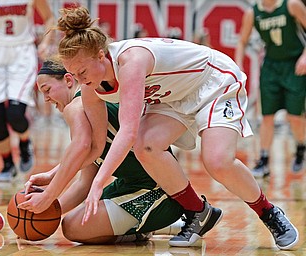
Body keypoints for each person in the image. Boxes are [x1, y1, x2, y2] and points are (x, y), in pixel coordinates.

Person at [55, 6, 299, 250]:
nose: (79, 79)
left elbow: (126, 131)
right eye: (74, 74)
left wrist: (99, 183)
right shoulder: (91, 84)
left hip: (212, 81)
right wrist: (51, 180)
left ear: (100, 55)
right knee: (147, 145)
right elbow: (97, 145)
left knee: (218, 162)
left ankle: (269, 213)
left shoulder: (131, 61)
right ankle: (198, 212)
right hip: (172, 97)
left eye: (82, 71)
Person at [18, 59, 188, 244]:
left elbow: (82, 146)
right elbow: (84, 183)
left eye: (47, 90)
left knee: (72, 227)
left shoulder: (76, 107)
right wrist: (43, 213)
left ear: (68, 80)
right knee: (82, 216)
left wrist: (48, 194)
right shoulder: (87, 107)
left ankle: (153, 224)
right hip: (134, 185)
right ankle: (155, 227)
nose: (46, 99)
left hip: (159, 190)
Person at [235, 0, 306, 177]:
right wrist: (237, 67)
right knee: (266, 115)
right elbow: (242, 41)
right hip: (270, 67)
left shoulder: (292, 5)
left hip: (294, 65)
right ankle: (264, 160)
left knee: (294, 116)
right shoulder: (253, 13)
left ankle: (300, 147)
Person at [0, 0, 54, 182]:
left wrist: (45, 43)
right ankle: (7, 164)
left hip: (22, 51)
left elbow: (49, 17)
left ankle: (25, 144)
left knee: (15, 114)